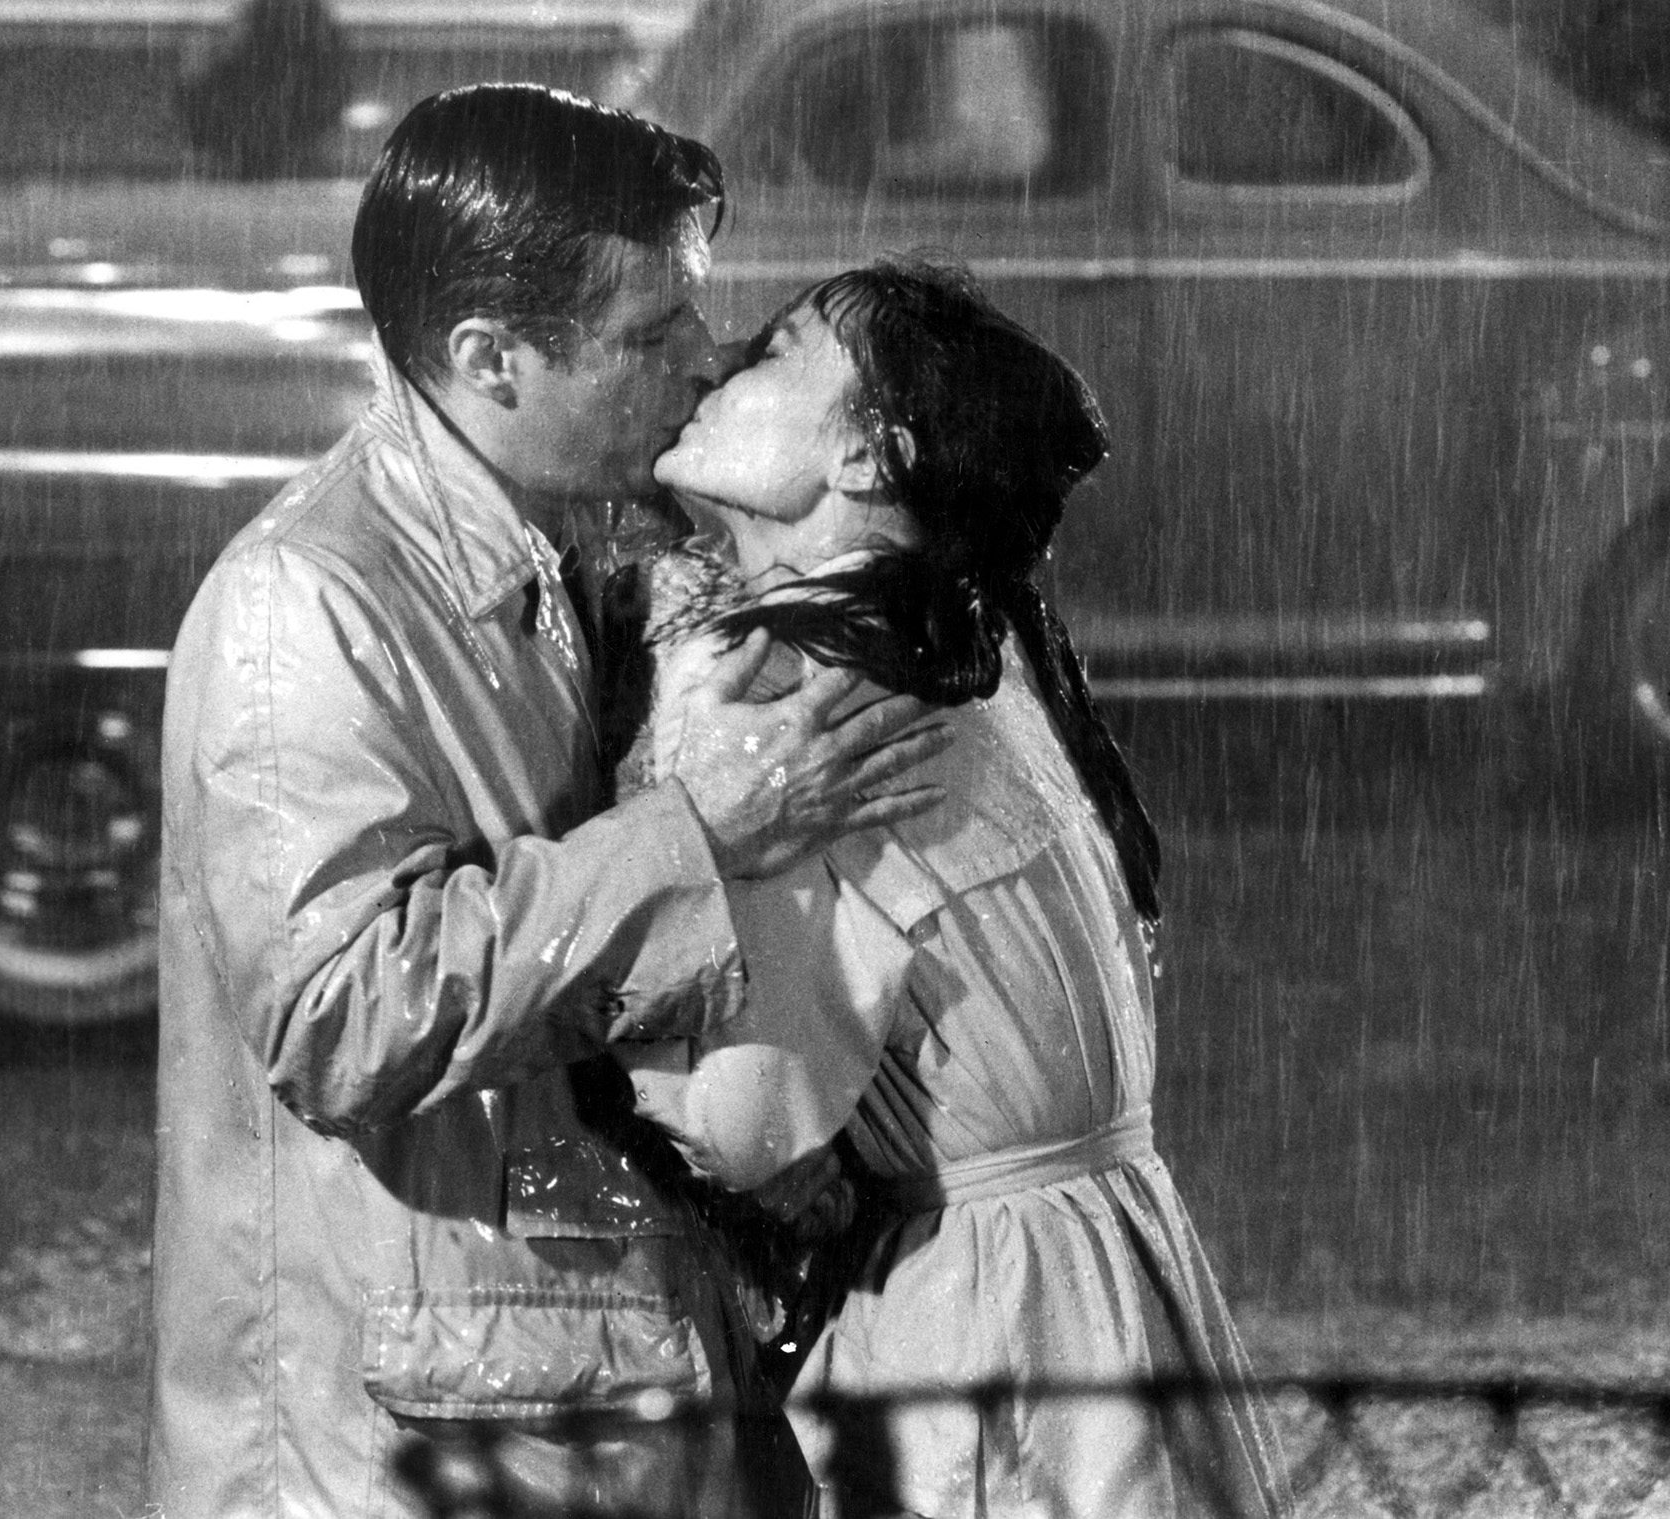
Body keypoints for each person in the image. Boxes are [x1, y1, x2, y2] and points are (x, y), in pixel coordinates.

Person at [146, 86, 951, 1519]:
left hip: (561, 1381)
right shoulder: (308, 603)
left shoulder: (582, 530)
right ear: (487, 357)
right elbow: (339, 1013)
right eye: (651, 332)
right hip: (410, 1443)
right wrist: (697, 834)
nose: (704, 359)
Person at [609, 259, 1290, 1519]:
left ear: (867, 456)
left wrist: (654, 906)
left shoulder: (799, 683)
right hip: (1104, 1269)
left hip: (984, 1322)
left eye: (775, 351)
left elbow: (744, 1123)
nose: (719, 363)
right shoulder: (976, 643)